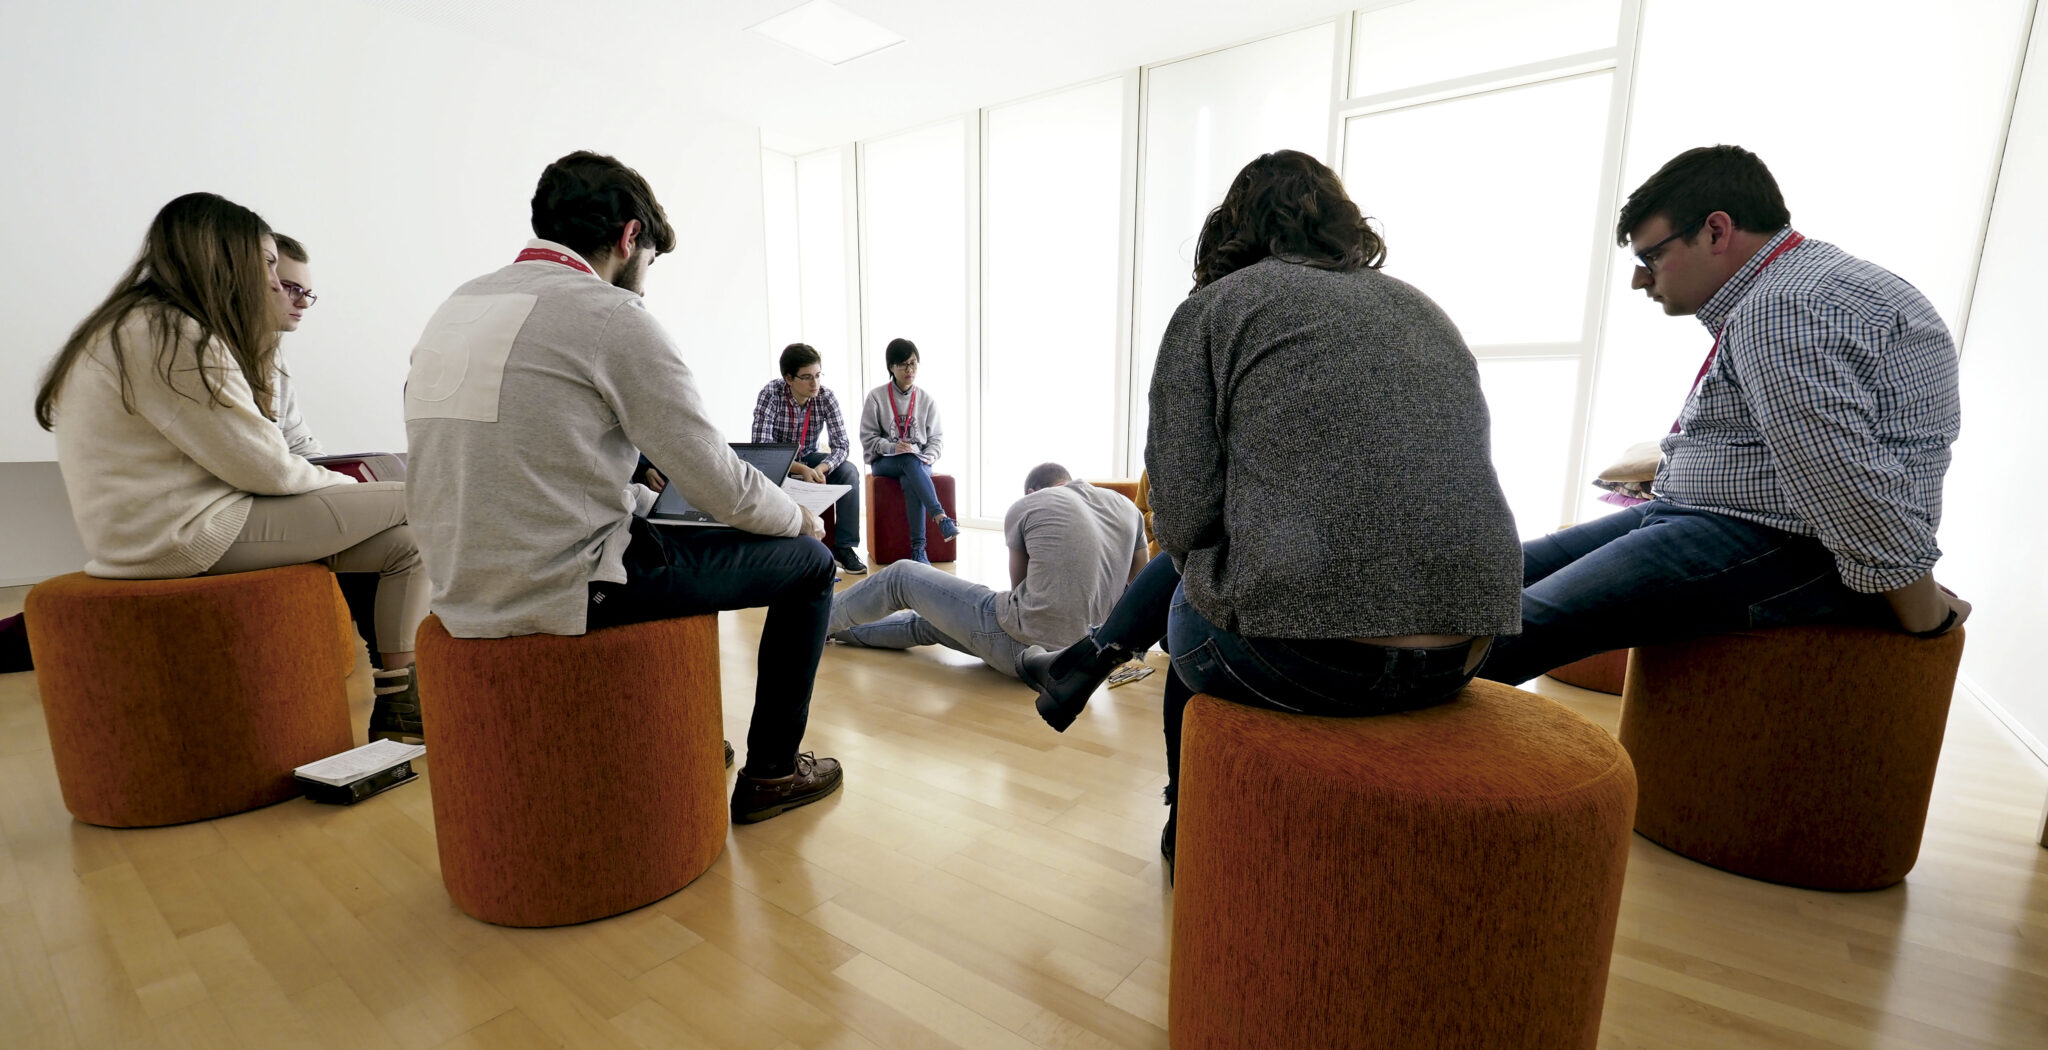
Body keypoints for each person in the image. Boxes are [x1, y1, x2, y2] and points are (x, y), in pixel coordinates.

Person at [1022, 151, 1524, 871]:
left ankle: (1190, 830)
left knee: (1197, 600)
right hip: (1466, 652)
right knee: (1229, 567)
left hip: (1306, 662)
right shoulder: (1423, 308)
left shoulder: (1215, 310)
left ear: (1231, 228)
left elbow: (1182, 523)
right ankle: (1087, 663)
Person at [404, 150, 843, 824]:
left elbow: (531, 463)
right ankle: (774, 773)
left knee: (663, 527)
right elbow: (717, 479)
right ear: (630, 236)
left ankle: (682, 732)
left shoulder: (456, 308)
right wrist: (797, 518)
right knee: (809, 565)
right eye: (651, 263)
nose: (645, 283)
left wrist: (638, 494)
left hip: (460, 583)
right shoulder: (610, 315)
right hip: (567, 586)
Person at [1475, 145, 1967, 687]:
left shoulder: (1784, 304)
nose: (1640, 280)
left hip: (1784, 541)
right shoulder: (1796, 285)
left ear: (1715, 230)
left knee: (1511, 627)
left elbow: (1837, 474)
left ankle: (1404, 720)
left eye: (1650, 257)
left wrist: (1921, 607)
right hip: (1717, 515)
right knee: (1477, 579)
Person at [32, 192, 430, 741]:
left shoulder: (134, 325)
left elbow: (264, 458)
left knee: (404, 544)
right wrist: (348, 487)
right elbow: (269, 469)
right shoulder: (174, 334)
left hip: (161, 531)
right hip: (187, 534)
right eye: (266, 264)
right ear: (227, 257)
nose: (274, 282)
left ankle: (399, 705)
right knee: (428, 497)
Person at [828, 463, 1145, 678]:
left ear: (1032, 491)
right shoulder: (1127, 509)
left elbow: (1019, 589)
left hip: (1023, 644)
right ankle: (831, 632)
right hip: (1083, 655)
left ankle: (812, 620)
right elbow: (1139, 587)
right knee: (932, 620)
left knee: (900, 577)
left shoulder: (1030, 504)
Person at [754, 343, 866, 573]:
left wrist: (822, 467)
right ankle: (777, 551)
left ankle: (844, 548)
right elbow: (762, 447)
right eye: (806, 377)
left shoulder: (826, 396)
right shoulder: (771, 394)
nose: (815, 383)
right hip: (779, 461)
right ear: (788, 378)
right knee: (762, 471)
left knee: (849, 471)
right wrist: (800, 469)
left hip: (810, 457)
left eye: (818, 375)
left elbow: (842, 445)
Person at [858, 338, 958, 563]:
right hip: (885, 461)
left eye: (913, 363)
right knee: (908, 460)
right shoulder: (876, 397)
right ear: (891, 367)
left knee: (910, 475)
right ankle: (939, 517)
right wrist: (893, 447)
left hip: (918, 462)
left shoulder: (926, 400)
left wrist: (929, 455)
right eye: (903, 364)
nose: (909, 369)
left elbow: (936, 439)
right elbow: (868, 438)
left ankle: (918, 550)